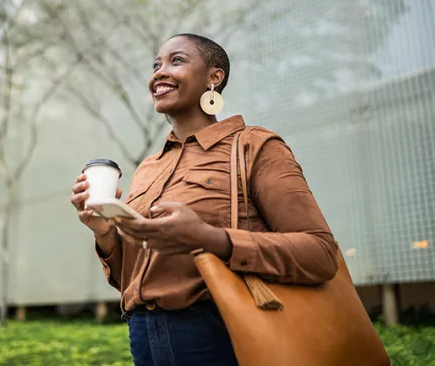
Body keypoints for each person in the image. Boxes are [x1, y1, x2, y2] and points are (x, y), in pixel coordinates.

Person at [70, 33, 339, 365]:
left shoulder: (254, 147)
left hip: (218, 331)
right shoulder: (147, 169)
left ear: (214, 77)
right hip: (143, 335)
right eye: (156, 65)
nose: (158, 73)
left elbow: (321, 254)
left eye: (176, 61)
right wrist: (104, 232)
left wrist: (208, 238)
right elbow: (135, 277)